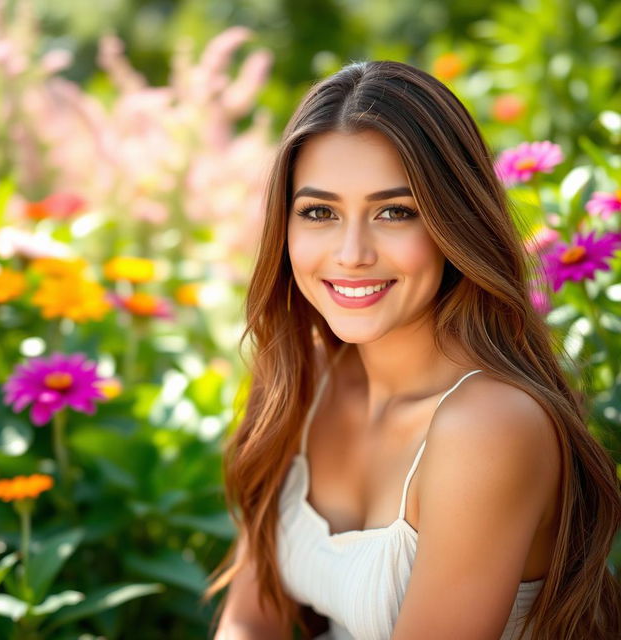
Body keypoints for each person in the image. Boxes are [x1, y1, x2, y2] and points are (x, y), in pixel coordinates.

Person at [205, 61, 621, 639]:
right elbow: (251, 620)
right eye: (319, 212)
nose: (351, 253)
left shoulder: (489, 426)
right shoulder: (307, 377)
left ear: (455, 223)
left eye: (395, 212)